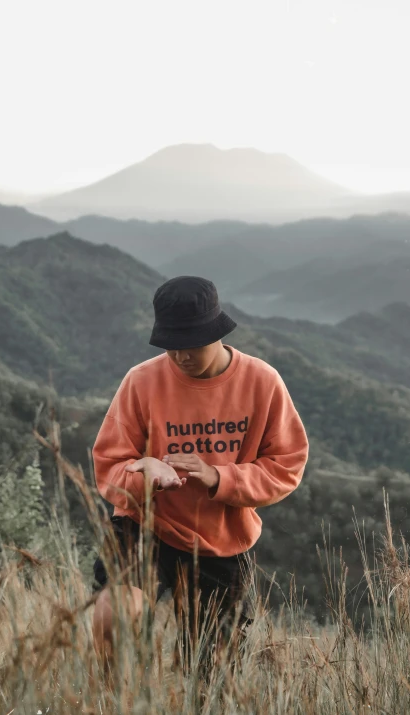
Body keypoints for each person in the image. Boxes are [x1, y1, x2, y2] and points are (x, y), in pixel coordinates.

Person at [91, 275, 309, 675]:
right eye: (171, 345)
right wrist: (146, 474)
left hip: (222, 540)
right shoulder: (141, 381)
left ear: (217, 330)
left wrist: (219, 478)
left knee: (210, 672)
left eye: (191, 344)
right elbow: (108, 467)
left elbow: (287, 465)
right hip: (146, 526)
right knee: (113, 617)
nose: (180, 356)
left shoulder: (262, 382)